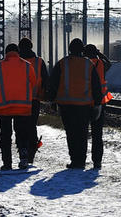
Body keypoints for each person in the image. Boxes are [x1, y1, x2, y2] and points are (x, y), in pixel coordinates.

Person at [47, 38, 102, 169]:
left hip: (66, 106)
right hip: (84, 106)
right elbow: (96, 86)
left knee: (71, 134)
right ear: (82, 50)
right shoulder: (89, 64)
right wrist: (97, 103)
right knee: (82, 133)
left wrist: (52, 101)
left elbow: (53, 83)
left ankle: (74, 160)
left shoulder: (62, 63)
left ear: (69, 49)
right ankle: (81, 160)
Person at [0, 43, 37, 170]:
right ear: (18, 52)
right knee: (22, 134)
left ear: (6, 53)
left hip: (4, 108)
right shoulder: (27, 66)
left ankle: (7, 163)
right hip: (23, 107)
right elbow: (34, 83)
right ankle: (24, 157)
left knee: (5, 136)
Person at [18, 37, 49, 165]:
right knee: (31, 125)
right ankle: (31, 148)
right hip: (34, 99)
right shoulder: (39, 61)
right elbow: (46, 80)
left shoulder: (17, 62)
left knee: (20, 127)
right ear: (31, 47)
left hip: (18, 99)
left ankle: (23, 150)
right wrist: (48, 97)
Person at [83, 44, 114, 169]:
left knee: (83, 132)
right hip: (99, 103)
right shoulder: (101, 63)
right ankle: (97, 161)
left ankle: (81, 159)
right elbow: (109, 63)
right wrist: (100, 54)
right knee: (97, 134)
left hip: (84, 101)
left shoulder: (83, 64)